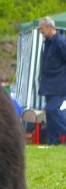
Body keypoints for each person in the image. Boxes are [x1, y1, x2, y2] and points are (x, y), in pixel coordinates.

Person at [37, 17, 66, 145]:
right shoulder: (47, 42)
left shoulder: (61, 42)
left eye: (41, 28)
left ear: (50, 27)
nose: (40, 31)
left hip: (59, 84)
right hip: (49, 84)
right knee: (49, 113)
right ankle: (53, 141)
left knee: (52, 109)